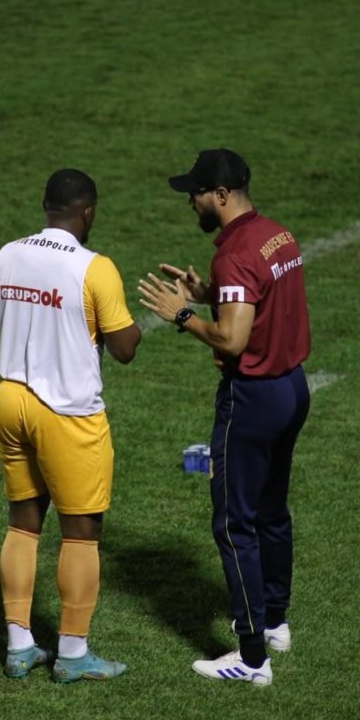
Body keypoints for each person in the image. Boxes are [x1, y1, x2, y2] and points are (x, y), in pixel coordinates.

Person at [137, 148, 311, 686]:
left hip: (253, 400)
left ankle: (252, 658)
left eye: (195, 193)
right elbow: (256, 302)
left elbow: (234, 339)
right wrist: (213, 295)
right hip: (292, 390)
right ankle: (276, 621)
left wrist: (183, 314)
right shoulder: (277, 234)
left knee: (234, 525)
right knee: (271, 512)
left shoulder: (234, 251)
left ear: (220, 195)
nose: (190, 202)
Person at [0, 168, 141, 683]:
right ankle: (73, 654)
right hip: (67, 411)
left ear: (45, 205)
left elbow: (1, 320)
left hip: (12, 401)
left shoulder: (7, 254)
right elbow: (124, 349)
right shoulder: (94, 268)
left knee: (22, 522)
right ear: (89, 211)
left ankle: (19, 646)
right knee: (81, 533)